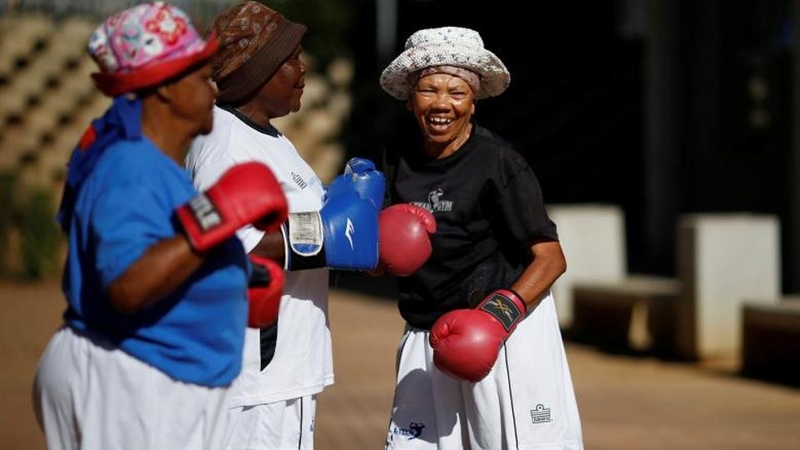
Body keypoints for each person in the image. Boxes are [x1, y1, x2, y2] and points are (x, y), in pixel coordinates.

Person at [32, 2, 289, 449]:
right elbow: (129, 284)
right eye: (199, 77)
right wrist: (217, 213)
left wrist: (233, 276)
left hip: (151, 378)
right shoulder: (129, 165)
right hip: (129, 381)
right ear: (165, 89)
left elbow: (167, 249)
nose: (212, 90)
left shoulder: (154, 164)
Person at [378, 26, 585, 449]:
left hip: (501, 332)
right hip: (426, 332)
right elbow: (385, 256)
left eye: (456, 92)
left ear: (473, 102)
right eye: (429, 90)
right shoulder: (398, 156)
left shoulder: (498, 162)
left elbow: (551, 258)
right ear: (409, 99)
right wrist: (378, 250)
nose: (441, 104)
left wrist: (496, 318)